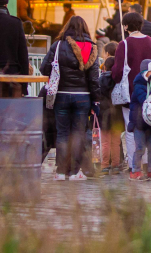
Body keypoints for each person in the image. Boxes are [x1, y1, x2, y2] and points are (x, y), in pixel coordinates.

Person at [41, 16, 101, 180]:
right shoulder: (92, 47)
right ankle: (75, 171)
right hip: (83, 98)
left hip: (61, 96)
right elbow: (94, 79)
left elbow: (43, 68)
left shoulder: (58, 45)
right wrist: (96, 100)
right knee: (78, 134)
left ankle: (61, 171)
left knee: (62, 134)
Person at [111, 12, 151, 173]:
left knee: (132, 129)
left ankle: (135, 166)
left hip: (131, 94)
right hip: (150, 92)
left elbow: (117, 71)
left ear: (126, 26)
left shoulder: (124, 44)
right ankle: (149, 164)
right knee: (149, 128)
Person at [128, 59, 151, 180]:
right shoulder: (139, 86)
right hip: (139, 123)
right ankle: (135, 171)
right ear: (146, 73)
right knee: (140, 148)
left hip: (150, 124)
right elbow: (144, 100)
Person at [96, 42, 124, 175]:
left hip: (104, 112)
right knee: (116, 142)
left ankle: (104, 165)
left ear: (105, 67)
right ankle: (116, 166)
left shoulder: (101, 79)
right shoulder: (118, 80)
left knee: (105, 141)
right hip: (117, 112)